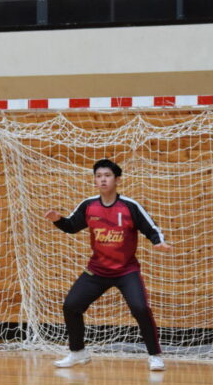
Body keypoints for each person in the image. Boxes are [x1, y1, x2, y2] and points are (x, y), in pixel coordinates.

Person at [47, 159, 173, 371]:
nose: (103, 179)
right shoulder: (89, 205)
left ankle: (155, 356)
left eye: (107, 175)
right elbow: (71, 226)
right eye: (98, 176)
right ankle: (78, 352)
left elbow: (150, 228)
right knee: (71, 305)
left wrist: (158, 242)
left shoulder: (130, 206)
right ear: (95, 181)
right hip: (97, 270)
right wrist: (57, 220)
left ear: (117, 180)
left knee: (141, 308)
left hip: (126, 271)